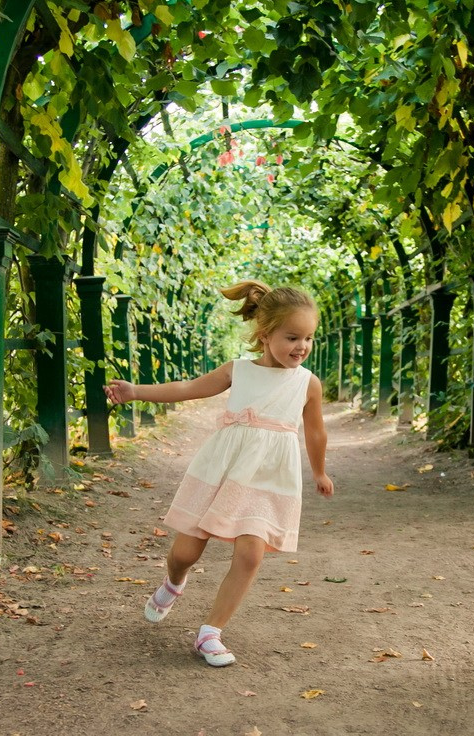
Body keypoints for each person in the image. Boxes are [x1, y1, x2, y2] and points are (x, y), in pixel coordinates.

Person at [104, 280, 334, 668]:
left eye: (308, 338)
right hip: (222, 470)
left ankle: (210, 632)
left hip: (269, 478)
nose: (302, 346)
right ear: (265, 335)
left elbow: (315, 430)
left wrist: (319, 471)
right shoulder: (239, 371)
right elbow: (188, 388)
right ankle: (174, 582)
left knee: (250, 554)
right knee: (184, 553)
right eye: (292, 337)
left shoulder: (307, 383)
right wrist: (136, 391)